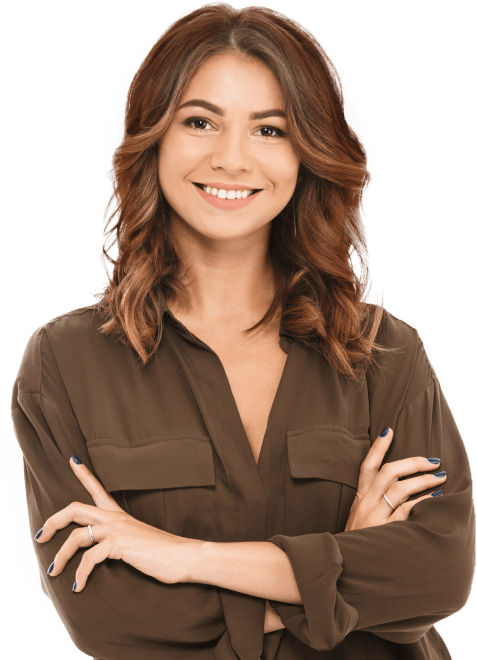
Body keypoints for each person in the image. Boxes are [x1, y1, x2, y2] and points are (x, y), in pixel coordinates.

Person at [10, 3, 474, 659]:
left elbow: (436, 572)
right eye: (199, 121)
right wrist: (344, 565)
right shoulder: (66, 361)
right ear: (151, 138)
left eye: (269, 129)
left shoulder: (385, 353)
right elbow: (112, 619)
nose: (231, 159)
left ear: (308, 152)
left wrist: (181, 557)